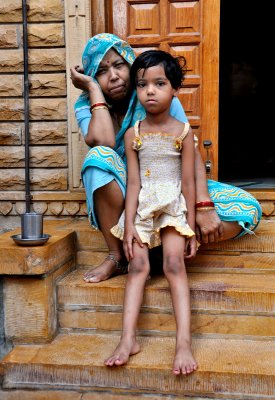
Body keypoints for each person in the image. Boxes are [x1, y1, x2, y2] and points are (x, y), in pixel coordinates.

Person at [70, 33, 262, 283]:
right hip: (130, 195)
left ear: (131, 66)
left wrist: (203, 205)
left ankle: (160, 251)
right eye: (101, 71)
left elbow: (189, 151)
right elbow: (104, 141)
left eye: (118, 65)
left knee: (247, 209)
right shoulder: (86, 104)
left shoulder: (157, 95)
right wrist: (94, 91)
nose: (114, 76)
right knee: (98, 159)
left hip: (171, 189)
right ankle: (117, 256)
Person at [104, 50, 197, 374]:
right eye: (143, 84)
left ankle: (183, 342)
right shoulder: (133, 134)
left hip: (173, 206)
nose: (150, 91)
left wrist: (192, 228)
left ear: (174, 89)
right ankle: (128, 338)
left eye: (160, 83)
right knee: (137, 266)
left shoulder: (184, 133)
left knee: (173, 263)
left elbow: (188, 182)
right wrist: (128, 225)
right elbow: (132, 183)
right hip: (143, 207)